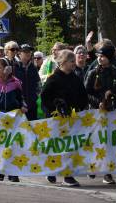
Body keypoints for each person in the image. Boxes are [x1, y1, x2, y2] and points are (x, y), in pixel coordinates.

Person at [41, 49, 88, 187]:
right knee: (56, 147)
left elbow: (83, 96)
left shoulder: (75, 78)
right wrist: (55, 106)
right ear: (63, 62)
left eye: (74, 61)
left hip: (72, 119)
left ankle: (68, 176)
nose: (74, 63)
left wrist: (79, 107)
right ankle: (51, 170)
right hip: (56, 120)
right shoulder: (53, 78)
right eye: (71, 61)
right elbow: (44, 98)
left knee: (70, 147)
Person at [85, 44, 116, 185]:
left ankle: (107, 173)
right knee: (95, 141)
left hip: (111, 113)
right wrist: (97, 102)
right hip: (96, 112)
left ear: (109, 58)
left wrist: (114, 101)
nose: (99, 58)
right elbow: (86, 92)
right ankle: (92, 167)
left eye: (103, 56)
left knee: (108, 142)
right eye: (98, 56)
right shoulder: (92, 72)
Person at [0, 58, 27, 182]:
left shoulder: (16, 83)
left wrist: (23, 106)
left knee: (12, 146)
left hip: (13, 119)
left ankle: (13, 173)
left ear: (7, 70)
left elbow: (21, 97)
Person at [15, 44, 41, 121]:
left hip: (32, 104)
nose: (28, 53)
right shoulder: (14, 67)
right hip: (18, 106)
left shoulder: (33, 67)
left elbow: (38, 84)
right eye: (25, 51)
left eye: (29, 51)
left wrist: (35, 98)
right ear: (19, 53)